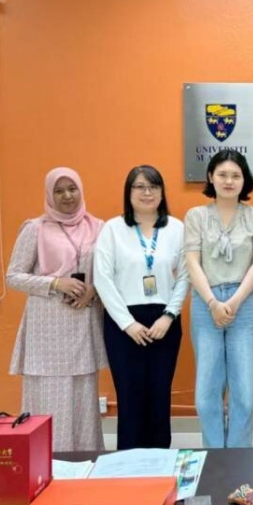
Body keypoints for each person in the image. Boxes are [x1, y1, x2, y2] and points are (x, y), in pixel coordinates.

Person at [6, 167, 106, 452]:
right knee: (49, 398)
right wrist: (56, 283)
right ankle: (47, 460)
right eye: (59, 191)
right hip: (47, 328)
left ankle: (86, 459)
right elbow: (13, 276)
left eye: (72, 189)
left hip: (83, 322)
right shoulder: (35, 228)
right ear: (50, 195)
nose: (67, 196)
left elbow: (109, 271)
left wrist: (94, 290)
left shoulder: (98, 227)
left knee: (83, 397)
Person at [94, 165, 189, 450]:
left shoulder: (176, 228)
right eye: (139, 186)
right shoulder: (113, 229)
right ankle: (129, 463)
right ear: (129, 192)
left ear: (162, 192)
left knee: (159, 393)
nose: (147, 192)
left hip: (164, 321)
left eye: (153, 186)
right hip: (123, 323)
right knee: (129, 395)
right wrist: (128, 323)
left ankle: (160, 459)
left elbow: (186, 276)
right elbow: (102, 278)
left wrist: (169, 315)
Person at [184, 150, 253, 448]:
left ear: (244, 180)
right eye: (222, 175)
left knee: (244, 391)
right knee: (206, 391)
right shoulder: (196, 216)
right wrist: (213, 303)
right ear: (211, 177)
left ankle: (239, 456)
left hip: (244, 303)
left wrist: (234, 301)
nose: (229, 181)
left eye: (235, 175)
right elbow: (192, 262)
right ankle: (215, 454)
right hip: (205, 302)